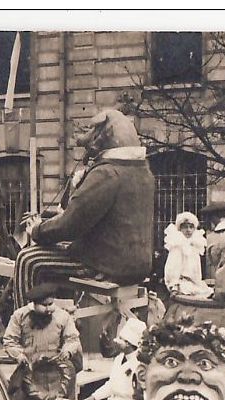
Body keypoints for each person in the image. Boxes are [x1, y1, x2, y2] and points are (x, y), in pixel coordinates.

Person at [13, 108, 155, 307]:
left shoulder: (107, 173)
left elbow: (71, 224)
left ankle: (24, 327)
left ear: (102, 139)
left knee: (28, 259)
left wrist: (37, 230)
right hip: (137, 265)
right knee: (58, 251)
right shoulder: (144, 173)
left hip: (107, 265)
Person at [2, 283, 83, 400]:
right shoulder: (20, 316)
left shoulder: (62, 316)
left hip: (58, 372)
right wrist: (19, 355)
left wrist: (67, 350)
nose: (48, 309)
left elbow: (72, 339)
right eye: (44, 305)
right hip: (31, 372)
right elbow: (9, 341)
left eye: (51, 304)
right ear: (34, 304)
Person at [84, 317, 146, 400]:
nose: (116, 340)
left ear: (128, 343)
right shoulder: (119, 359)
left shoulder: (139, 365)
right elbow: (111, 384)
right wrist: (94, 397)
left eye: (121, 339)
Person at [162, 211, 211, 297]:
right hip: (181, 283)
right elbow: (172, 267)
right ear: (180, 229)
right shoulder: (178, 245)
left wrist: (197, 282)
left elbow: (197, 270)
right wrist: (174, 285)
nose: (188, 230)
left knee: (209, 292)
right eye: (185, 227)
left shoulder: (195, 245)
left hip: (194, 282)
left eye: (191, 227)